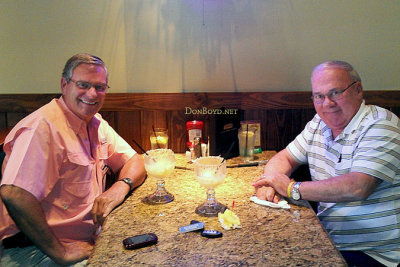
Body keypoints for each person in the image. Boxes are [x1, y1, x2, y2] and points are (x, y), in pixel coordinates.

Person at [0, 53, 146, 266]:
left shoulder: (95, 122)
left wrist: (120, 187)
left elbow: (134, 160)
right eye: (83, 84)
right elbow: (14, 193)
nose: (92, 93)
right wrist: (61, 252)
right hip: (35, 250)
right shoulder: (42, 128)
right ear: (64, 84)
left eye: (100, 87)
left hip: (87, 239)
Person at [253, 61, 400, 267]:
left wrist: (290, 188)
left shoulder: (380, 124)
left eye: (336, 92)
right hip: (330, 241)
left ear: (358, 90)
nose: (327, 103)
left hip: (373, 254)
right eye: (319, 96)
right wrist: (270, 183)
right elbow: (284, 158)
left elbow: (358, 187)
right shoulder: (319, 123)